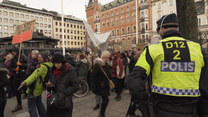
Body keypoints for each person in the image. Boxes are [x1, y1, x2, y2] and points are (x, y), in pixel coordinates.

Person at [126, 13, 208, 117]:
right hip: (191, 109)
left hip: (161, 109)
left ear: (163, 29)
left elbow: (133, 80)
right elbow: (205, 86)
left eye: (158, 30)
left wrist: (143, 104)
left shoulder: (153, 49)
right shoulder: (197, 49)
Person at [18, 52, 52, 117]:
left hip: (34, 88)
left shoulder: (42, 67)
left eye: (40, 57)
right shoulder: (48, 65)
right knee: (39, 103)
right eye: (38, 57)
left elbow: (34, 75)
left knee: (31, 106)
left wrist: (25, 82)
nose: (38, 59)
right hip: (39, 87)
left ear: (44, 58)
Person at [46, 53, 80, 117]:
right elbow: (50, 82)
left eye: (58, 63)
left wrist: (64, 93)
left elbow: (76, 86)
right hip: (54, 100)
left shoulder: (70, 70)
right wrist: (49, 86)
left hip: (64, 101)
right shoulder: (53, 70)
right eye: (54, 63)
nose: (56, 65)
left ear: (62, 62)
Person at [91, 51, 112, 117]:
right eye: (107, 58)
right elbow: (93, 77)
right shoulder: (97, 65)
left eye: (108, 58)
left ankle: (101, 113)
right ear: (103, 57)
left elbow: (108, 74)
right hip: (100, 86)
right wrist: (93, 87)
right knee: (106, 100)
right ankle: (101, 114)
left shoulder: (105, 64)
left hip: (105, 86)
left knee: (105, 100)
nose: (108, 59)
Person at [9, 46, 28, 113]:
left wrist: (21, 65)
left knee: (27, 90)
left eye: (14, 51)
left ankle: (32, 103)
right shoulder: (13, 58)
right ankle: (19, 104)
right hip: (16, 76)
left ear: (17, 51)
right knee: (17, 91)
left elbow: (28, 65)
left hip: (23, 76)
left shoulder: (23, 56)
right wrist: (14, 69)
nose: (12, 52)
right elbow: (10, 67)